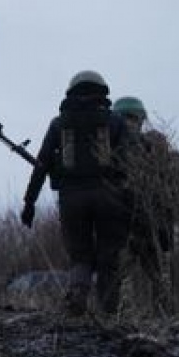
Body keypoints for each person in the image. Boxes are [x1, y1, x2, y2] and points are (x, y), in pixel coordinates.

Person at [20, 71, 131, 316]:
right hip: (109, 197)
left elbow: (42, 165)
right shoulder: (116, 122)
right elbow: (128, 165)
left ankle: (77, 303)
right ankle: (109, 315)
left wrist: (30, 202)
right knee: (108, 259)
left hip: (71, 199)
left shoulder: (59, 124)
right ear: (102, 91)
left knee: (80, 257)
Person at [113, 96, 175, 314]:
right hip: (154, 229)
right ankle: (163, 318)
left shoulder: (116, 151)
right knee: (157, 277)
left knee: (117, 278)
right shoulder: (161, 152)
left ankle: (115, 317)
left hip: (130, 226)